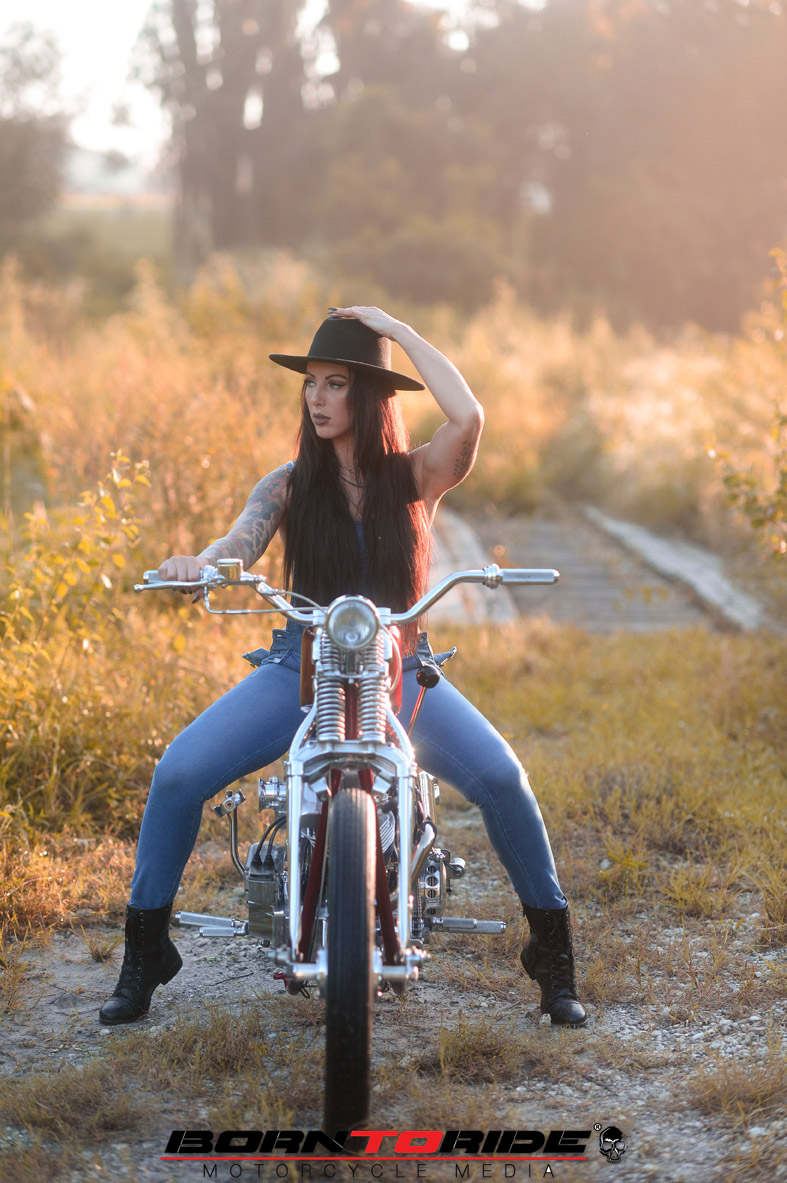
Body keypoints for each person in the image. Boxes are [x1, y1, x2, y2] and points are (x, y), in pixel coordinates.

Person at [99, 306, 587, 1029]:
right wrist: (199, 564)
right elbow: (238, 542)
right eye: (311, 384)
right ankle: (144, 955)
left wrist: (399, 331)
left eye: (335, 384)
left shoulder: (415, 475)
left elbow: (469, 418)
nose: (317, 398)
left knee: (502, 779)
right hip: (301, 670)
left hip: (399, 669)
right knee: (177, 773)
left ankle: (552, 956)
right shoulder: (290, 484)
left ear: (371, 395)